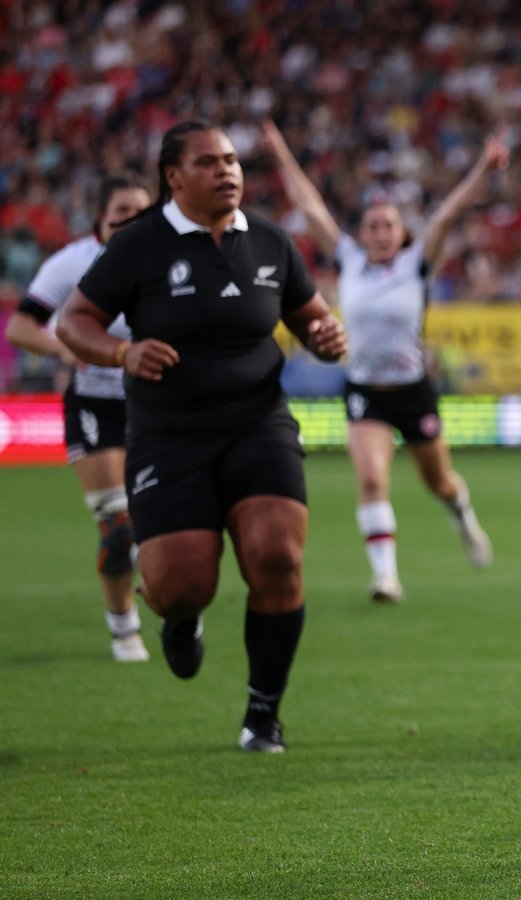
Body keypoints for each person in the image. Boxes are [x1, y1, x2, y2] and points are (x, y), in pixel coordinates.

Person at [58, 121, 347, 753]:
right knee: (181, 585)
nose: (227, 171)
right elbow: (73, 321)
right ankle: (180, 617)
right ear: (174, 177)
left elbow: (312, 315)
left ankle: (263, 715)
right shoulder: (139, 245)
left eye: (233, 160)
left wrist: (327, 336)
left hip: (259, 424)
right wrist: (121, 352)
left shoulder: (271, 241)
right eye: (209, 162)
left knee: (278, 557)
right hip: (169, 435)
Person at [260, 119, 500, 603]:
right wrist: (280, 151)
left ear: (401, 232)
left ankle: (463, 516)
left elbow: (449, 214)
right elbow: (309, 205)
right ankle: (386, 577)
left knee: (440, 482)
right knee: (371, 478)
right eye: (373, 226)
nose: (381, 232)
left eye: (389, 225)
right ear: (362, 234)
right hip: (365, 390)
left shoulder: (416, 265)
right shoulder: (348, 260)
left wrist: (485, 167)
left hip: (413, 390)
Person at [4, 174, 152, 662]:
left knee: (165, 521)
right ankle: (123, 626)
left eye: (140, 213)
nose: (132, 224)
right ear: (99, 221)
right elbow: (22, 326)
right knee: (118, 526)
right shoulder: (70, 263)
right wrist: (66, 350)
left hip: (157, 405)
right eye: (120, 216)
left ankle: (174, 601)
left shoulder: (171, 257)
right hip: (96, 405)